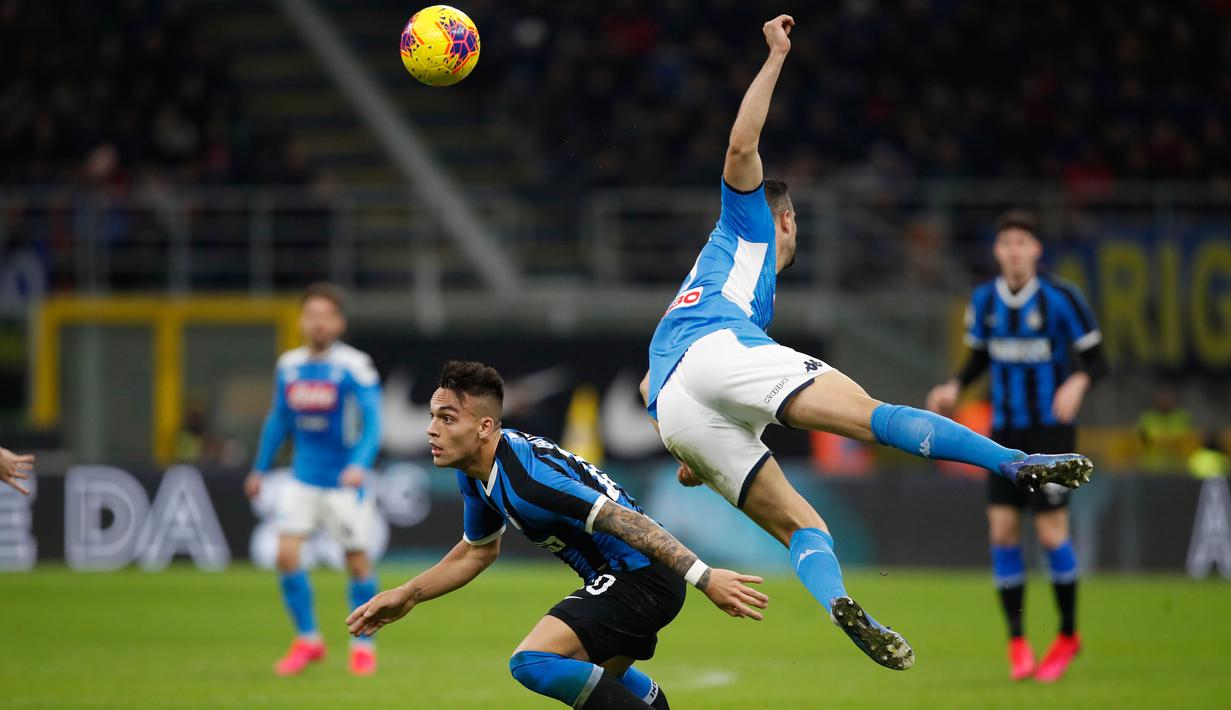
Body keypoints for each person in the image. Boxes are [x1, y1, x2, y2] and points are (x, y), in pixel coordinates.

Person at [640, 15, 1092, 672]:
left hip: (676, 406)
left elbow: (656, 390)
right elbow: (740, 151)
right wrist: (773, 57)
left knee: (806, 528)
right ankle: (1012, 462)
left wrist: (690, 448)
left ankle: (841, 604)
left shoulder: (712, 287)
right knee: (872, 417)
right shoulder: (749, 226)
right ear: (787, 218)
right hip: (718, 353)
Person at [349, 361, 767, 709]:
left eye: (446, 418)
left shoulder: (529, 479)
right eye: (431, 417)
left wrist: (705, 577)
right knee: (608, 685)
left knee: (532, 661)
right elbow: (476, 552)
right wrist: (407, 594)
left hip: (641, 578)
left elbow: (629, 521)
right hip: (624, 579)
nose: (431, 430)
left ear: (484, 427)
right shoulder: (476, 474)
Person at [927, 210, 1108, 683]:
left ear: (1036, 251)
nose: (1013, 251)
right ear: (997, 251)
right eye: (1006, 243)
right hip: (1003, 436)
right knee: (1004, 534)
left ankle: (1068, 635)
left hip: (1050, 432)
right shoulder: (985, 299)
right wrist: (954, 387)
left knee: (1050, 535)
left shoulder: (1062, 298)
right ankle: (1018, 641)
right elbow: (981, 356)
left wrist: (1078, 383)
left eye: (1022, 242)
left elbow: (1096, 359)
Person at [244, 282, 383, 676]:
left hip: (345, 482)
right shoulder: (288, 365)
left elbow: (373, 421)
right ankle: (308, 640)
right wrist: (260, 466)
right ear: (302, 320)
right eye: (311, 316)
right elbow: (279, 420)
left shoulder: (355, 365)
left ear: (338, 322)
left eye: (325, 316)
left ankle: (364, 646)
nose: (317, 324)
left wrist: (360, 462)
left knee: (356, 563)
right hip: (302, 477)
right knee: (286, 555)